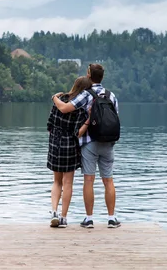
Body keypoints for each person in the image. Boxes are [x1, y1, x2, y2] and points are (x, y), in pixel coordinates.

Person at [53, 63, 121, 228]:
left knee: (89, 180)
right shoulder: (111, 96)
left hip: (89, 143)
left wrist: (54, 98)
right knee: (108, 181)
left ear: (89, 75)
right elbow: (116, 117)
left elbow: (64, 108)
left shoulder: (85, 95)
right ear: (102, 77)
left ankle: (89, 219)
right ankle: (111, 218)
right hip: (108, 143)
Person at [47, 76, 92, 228]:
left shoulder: (59, 100)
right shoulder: (80, 107)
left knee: (56, 181)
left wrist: (54, 138)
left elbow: (50, 124)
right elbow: (78, 133)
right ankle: (63, 217)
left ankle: (54, 212)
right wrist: (88, 120)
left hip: (55, 142)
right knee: (68, 183)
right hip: (70, 144)